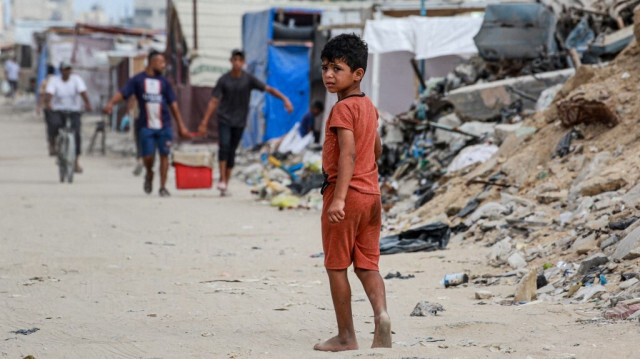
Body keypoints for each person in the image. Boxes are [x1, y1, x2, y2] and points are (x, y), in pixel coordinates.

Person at [314, 34, 390, 352]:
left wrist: (340, 199)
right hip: (372, 197)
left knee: (336, 266)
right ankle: (382, 316)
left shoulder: (342, 109)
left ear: (357, 74)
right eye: (325, 68)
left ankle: (346, 336)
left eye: (337, 68)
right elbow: (377, 148)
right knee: (367, 265)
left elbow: (348, 154)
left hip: (346, 196)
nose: (329, 75)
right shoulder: (368, 107)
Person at [197, 49, 294, 196]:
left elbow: (268, 89)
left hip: (239, 121)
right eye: (234, 60)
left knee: (232, 151)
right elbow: (214, 101)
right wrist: (204, 122)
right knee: (224, 146)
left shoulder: (248, 79)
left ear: (243, 63)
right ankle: (222, 180)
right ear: (231, 61)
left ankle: (226, 183)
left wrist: (285, 99)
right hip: (224, 118)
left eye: (239, 60)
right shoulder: (223, 80)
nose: (236, 63)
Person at [104, 51, 190, 197]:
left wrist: (181, 126)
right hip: (146, 125)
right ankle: (149, 173)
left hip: (164, 125)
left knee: (164, 155)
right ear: (153, 62)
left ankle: (162, 187)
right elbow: (123, 93)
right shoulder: (138, 80)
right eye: (161, 63)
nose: (164, 66)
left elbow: (173, 105)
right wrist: (111, 103)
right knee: (148, 157)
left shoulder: (165, 83)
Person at [45, 62, 92, 173]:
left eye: (69, 69)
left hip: (74, 111)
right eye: (65, 69)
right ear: (60, 70)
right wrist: (48, 103)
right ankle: (52, 143)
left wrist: (87, 103)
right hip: (58, 110)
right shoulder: (54, 81)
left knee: (76, 134)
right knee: (54, 124)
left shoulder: (76, 80)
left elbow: (82, 92)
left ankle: (75, 161)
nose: (67, 71)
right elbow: (49, 94)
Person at [37, 64, 57, 155]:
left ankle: (52, 144)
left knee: (50, 127)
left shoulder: (45, 82)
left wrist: (38, 107)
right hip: (57, 107)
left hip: (47, 107)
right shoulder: (58, 81)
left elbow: (41, 95)